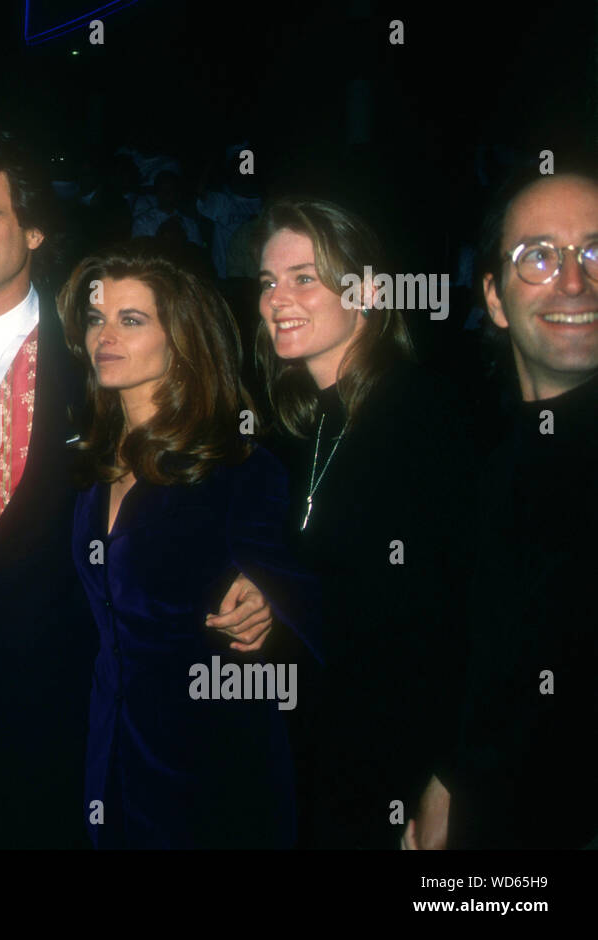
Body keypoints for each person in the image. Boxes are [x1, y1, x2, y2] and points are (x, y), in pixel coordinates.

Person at [0, 131, 275, 849]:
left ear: (34, 229)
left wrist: (262, 576)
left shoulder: (95, 359)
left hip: (60, 711)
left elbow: (205, 463)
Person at [60, 242, 321, 848]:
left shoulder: (238, 467)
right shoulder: (84, 462)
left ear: (182, 340)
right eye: (97, 318)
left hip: (211, 759)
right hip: (108, 748)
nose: (106, 335)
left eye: (132, 320)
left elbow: (310, 605)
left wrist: (271, 606)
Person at [253, 197, 475, 849]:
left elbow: (474, 613)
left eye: (304, 278)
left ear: (369, 293)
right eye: (268, 281)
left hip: (402, 766)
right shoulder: (305, 424)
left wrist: (448, 779)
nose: (277, 298)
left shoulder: (424, 414)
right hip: (324, 752)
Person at [417, 170, 598, 849]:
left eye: (597, 253)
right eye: (539, 257)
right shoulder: (489, 464)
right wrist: (449, 776)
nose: (574, 282)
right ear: (493, 298)